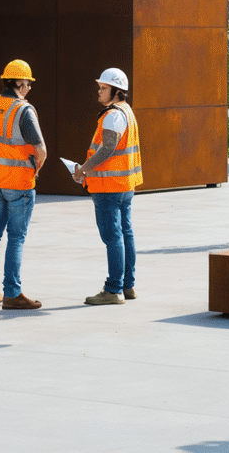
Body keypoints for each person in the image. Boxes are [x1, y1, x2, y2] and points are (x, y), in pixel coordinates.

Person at [0, 59, 46, 310]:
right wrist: (35, 169)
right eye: (27, 83)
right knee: (16, 238)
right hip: (18, 183)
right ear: (18, 82)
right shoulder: (23, 110)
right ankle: (12, 293)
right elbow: (41, 150)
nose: (29, 88)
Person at [72, 68, 141, 305]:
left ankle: (113, 289)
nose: (99, 91)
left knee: (113, 237)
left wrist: (84, 169)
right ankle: (127, 285)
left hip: (108, 186)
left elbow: (108, 147)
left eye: (103, 88)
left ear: (116, 90)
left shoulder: (113, 115)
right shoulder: (126, 112)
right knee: (125, 234)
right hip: (123, 184)